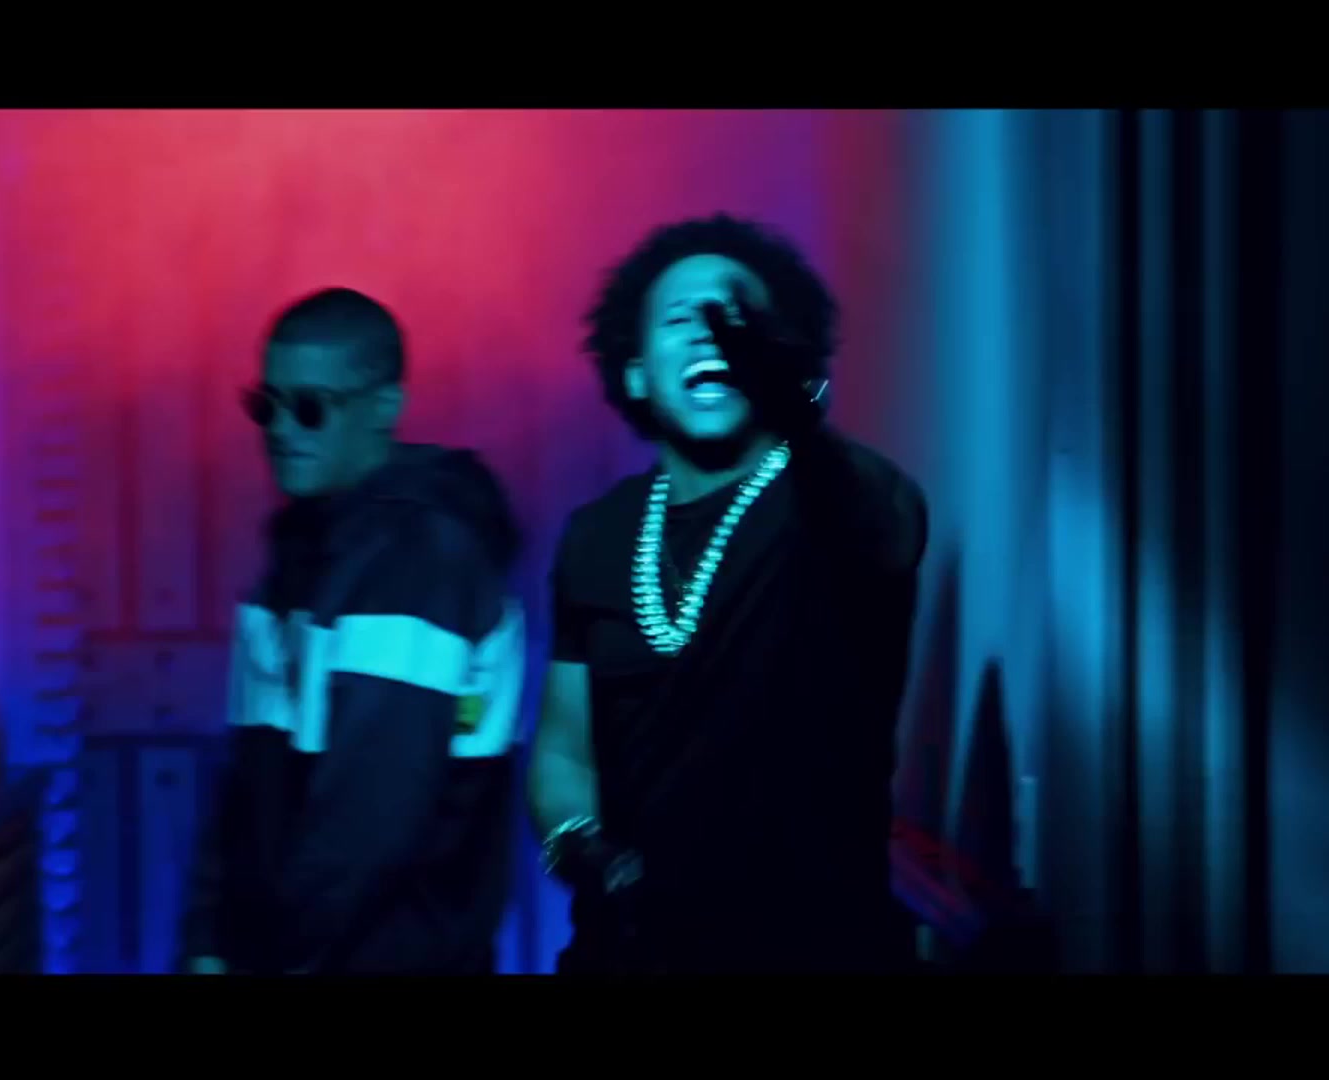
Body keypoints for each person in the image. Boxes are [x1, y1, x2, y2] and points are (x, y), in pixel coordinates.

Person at [528, 215, 929, 973]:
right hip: (627, 953)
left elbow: (887, 530)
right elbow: (562, 749)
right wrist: (583, 849)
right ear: (636, 373)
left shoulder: (837, 501)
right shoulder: (596, 536)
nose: (711, 333)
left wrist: (789, 396)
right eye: (680, 319)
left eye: (736, 317)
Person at [178, 287, 525, 974]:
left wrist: (271, 961)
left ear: (384, 407)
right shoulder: (303, 552)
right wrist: (208, 944)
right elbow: (247, 784)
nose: (282, 429)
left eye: (311, 407)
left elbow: (369, 823)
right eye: (266, 405)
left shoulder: (416, 560)